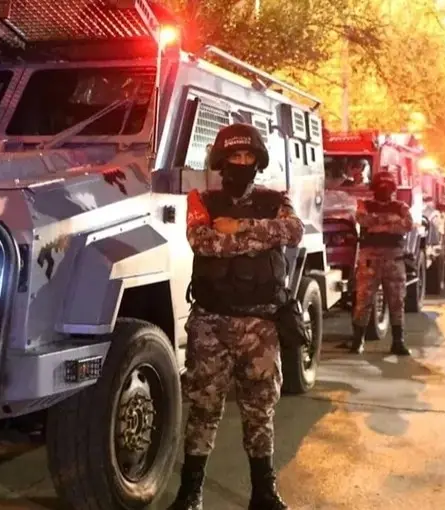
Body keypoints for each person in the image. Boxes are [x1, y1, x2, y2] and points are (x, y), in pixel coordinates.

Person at [169, 123, 304, 510]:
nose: (241, 163)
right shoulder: (201, 200)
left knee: (259, 411)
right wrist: (261, 237)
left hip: (260, 325)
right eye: (234, 156)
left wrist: (240, 228)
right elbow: (202, 242)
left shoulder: (275, 200)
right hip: (210, 324)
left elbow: (293, 231)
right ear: (221, 161)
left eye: (247, 156)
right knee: (203, 409)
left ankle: (264, 493)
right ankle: (190, 494)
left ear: (257, 162)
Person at [343, 171, 412, 356]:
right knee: (363, 300)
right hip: (370, 259)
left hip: (393, 258)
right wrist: (391, 221)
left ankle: (398, 342)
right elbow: (362, 219)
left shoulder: (401, 206)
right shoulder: (364, 205)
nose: (384, 190)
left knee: (396, 300)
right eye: (381, 186)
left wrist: (378, 223)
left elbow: (407, 225)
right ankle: (358, 341)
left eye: (388, 187)